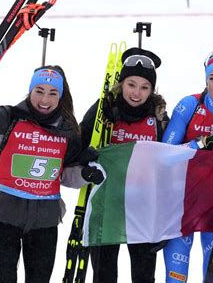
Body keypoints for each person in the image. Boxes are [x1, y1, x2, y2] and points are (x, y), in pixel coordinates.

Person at [0, 65, 106, 283]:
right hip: (4, 219)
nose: (45, 99)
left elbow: (65, 174)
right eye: (39, 91)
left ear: (60, 96)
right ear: (30, 91)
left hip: (44, 225)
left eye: (53, 93)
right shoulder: (9, 118)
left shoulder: (68, 132)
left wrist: (86, 175)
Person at [79, 47, 168, 283]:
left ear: (152, 90)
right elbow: (76, 144)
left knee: (143, 276)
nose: (137, 93)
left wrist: (164, 220)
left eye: (144, 87)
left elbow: (169, 166)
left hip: (143, 208)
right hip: (106, 205)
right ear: (121, 83)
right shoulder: (103, 111)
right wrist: (85, 161)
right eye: (131, 84)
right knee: (104, 275)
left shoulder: (158, 118)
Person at [161, 50, 213, 282]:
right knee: (176, 279)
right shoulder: (189, 105)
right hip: (182, 207)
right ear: (206, 79)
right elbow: (164, 156)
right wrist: (201, 143)